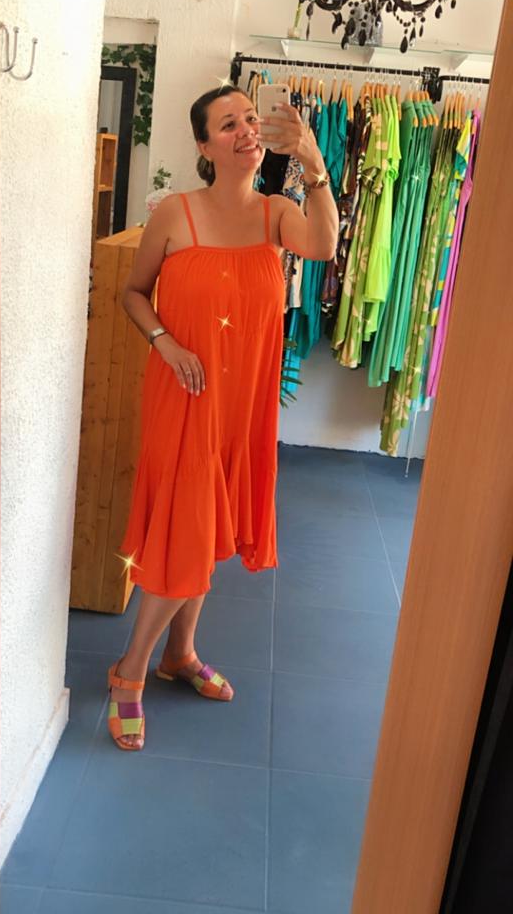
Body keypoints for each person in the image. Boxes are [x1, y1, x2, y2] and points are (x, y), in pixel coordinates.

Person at [107, 84, 338, 750]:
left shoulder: (277, 214)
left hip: (241, 404)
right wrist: (166, 342)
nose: (246, 130)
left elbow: (324, 245)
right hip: (183, 396)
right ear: (205, 146)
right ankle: (129, 671)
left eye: (251, 119)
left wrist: (313, 160)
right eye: (228, 123)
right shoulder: (175, 214)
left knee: (211, 531)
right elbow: (133, 292)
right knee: (187, 530)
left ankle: (180, 654)